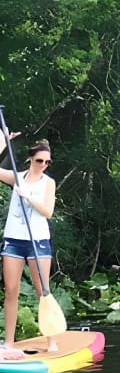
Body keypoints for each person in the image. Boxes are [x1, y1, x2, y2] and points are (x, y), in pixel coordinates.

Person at [0, 134, 58, 351]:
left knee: (42, 291)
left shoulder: (48, 183)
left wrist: (28, 197)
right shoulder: (17, 177)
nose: (43, 165)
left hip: (38, 241)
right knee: (11, 291)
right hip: (14, 241)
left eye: (47, 162)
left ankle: (51, 340)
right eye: (39, 160)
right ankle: (9, 342)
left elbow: (48, 211)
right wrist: (2, 142)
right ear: (30, 159)